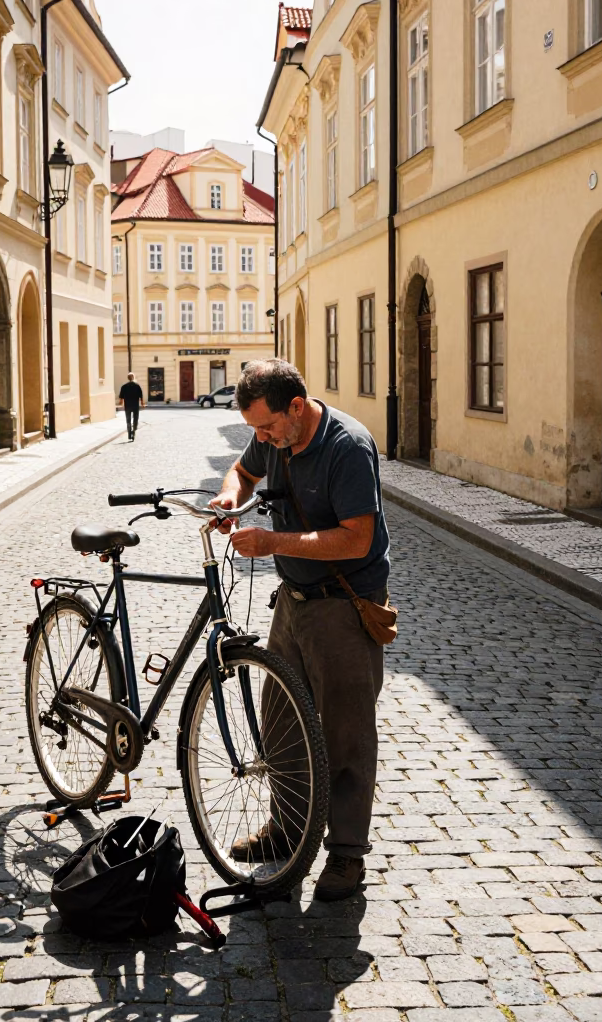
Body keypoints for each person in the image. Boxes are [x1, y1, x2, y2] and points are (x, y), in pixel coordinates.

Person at [210, 358, 390, 902]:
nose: (262, 438)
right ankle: (287, 829)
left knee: (346, 734)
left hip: (343, 604)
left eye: (266, 427)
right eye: (255, 430)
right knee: (281, 722)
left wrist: (272, 543)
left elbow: (357, 538)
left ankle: (347, 855)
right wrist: (231, 497)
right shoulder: (273, 435)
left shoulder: (347, 447)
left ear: (296, 406)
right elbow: (243, 471)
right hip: (292, 601)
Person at [118, 372, 144, 441]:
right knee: (136, 419)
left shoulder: (124, 386)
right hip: (135, 405)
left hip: (128, 405)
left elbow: (121, 397)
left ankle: (129, 433)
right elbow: (141, 395)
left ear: (128, 378)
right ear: (133, 377)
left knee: (128, 419)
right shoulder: (137, 385)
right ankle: (134, 431)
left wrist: (121, 403)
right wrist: (142, 403)